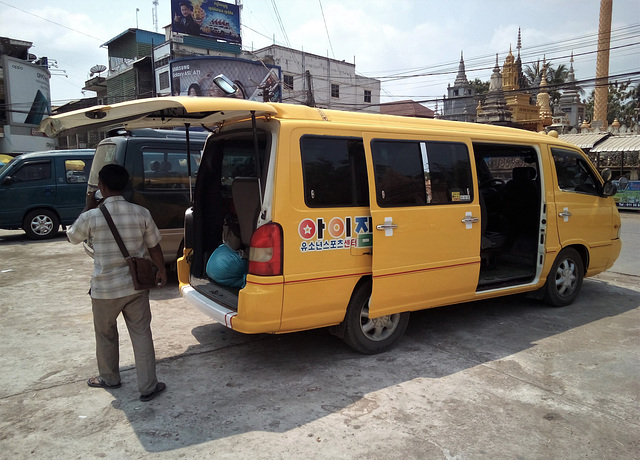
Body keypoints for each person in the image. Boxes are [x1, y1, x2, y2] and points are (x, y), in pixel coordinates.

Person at [67, 164, 167, 402]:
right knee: (142, 334)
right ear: (126, 185)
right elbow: (154, 245)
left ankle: (110, 379)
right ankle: (148, 387)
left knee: (105, 335)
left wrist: (88, 207)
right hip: (136, 286)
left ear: (101, 186)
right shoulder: (140, 212)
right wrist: (161, 269)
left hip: (104, 290)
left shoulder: (91, 216)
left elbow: (72, 237)